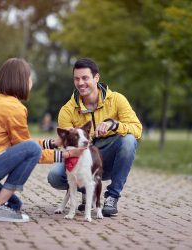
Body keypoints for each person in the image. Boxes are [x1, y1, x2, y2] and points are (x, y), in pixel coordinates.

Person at [0, 58, 85, 223]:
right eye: (29, 77)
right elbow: (31, 151)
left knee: (13, 204)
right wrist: (67, 155)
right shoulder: (15, 108)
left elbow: (21, 144)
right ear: (21, 80)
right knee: (32, 150)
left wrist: (53, 144)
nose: (31, 81)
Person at [47, 58, 142, 217]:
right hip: (82, 158)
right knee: (55, 176)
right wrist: (71, 136)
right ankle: (85, 190)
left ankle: (112, 197)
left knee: (129, 140)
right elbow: (65, 145)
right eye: (77, 79)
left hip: (107, 159)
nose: (81, 83)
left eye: (85, 78)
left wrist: (114, 125)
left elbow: (137, 129)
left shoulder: (117, 100)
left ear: (96, 78)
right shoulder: (67, 110)